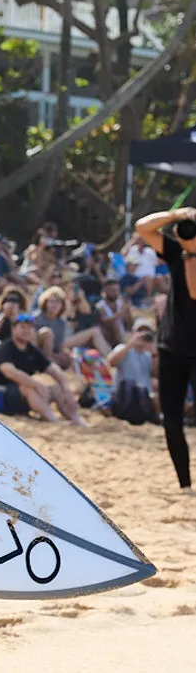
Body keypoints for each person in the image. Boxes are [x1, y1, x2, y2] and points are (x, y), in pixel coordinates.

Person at [133, 206, 196, 490]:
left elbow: (194, 290)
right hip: (171, 347)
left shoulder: (186, 253)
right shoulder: (177, 250)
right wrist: (178, 215)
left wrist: (191, 252)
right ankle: (185, 485)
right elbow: (142, 227)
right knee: (171, 421)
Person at [0, 314, 85, 424]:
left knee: (57, 388)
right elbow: (10, 373)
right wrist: (37, 385)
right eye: (22, 327)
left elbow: (53, 369)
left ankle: (75, 419)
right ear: (13, 329)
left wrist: (66, 388)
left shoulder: (31, 350)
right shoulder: (4, 348)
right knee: (28, 386)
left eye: (29, 327)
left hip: (20, 396)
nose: (26, 330)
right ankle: (53, 420)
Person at [107, 320, 159, 425]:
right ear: (133, 333)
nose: (143, 336)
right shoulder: (123, 348)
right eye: (140, 332)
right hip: (126, 397)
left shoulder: (149, 355)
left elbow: (156, 374)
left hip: (145, 398)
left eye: (147, 333)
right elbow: (111, 362)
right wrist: (131, 344)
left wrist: (154, 353)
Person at [96, 278, 132, 348]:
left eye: (117, 290)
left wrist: (128, 312)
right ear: (105, 290)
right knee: (115, 324)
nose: (115, 292)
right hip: (108, 337)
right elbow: (104, 321)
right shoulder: (100, 306)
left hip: (123, 335)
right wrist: (119, 314)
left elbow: (129, 323)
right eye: (112, 290)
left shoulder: (121, 303)